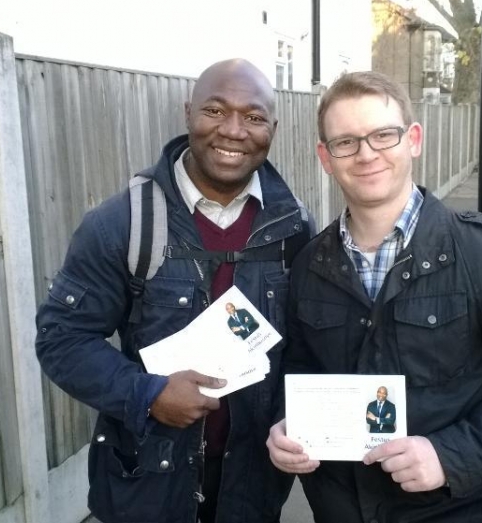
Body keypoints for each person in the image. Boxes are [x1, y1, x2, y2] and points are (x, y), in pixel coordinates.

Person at [265, 71, 482, 523]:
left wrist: (450, 455)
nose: (366, 153)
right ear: (325, 158)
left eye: (383, 135)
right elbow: (299, 366)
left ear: (412, 139)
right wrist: (285, 426)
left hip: (460, 512)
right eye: (346, 142)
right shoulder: (309, 263)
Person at [35, 58, 314, 523]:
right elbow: (61, 340)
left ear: (273, 128)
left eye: (253, 117)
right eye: (214, 110)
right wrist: (147, 394)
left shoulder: (293, 227)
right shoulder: (123, 224)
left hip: (252, 490)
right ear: (189, 113)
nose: (232, 130)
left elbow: (307, 348)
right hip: (147, 486)